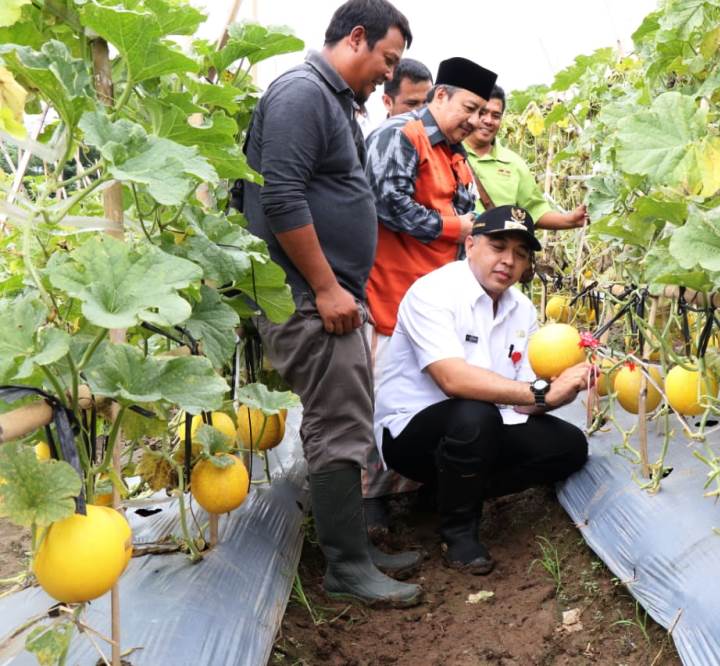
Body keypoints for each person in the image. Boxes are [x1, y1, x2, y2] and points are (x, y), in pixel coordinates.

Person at [239, 0, 422, 607]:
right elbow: (282, 199)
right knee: (337, 423)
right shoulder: (301, 94)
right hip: (306, 300)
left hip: (329, 297)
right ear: (358, 37)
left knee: (344, 417)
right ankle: (346, 568)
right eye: (386, 61)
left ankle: (356, 553)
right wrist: (324, 286)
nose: (387, 76)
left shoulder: (332, 99)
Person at [375, 205, 591, 574]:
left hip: (482, 428)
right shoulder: (433, 292)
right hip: (413, 436)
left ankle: (444, 495)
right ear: (470, 245)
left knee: (569, 447)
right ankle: (459, 534)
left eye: (520, 254)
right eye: (498, 246)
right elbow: (453, 380)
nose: (508, 260)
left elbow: (522, 396)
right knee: (473, 413)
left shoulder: (521, 309)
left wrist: (560, 392)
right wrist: (540, 392)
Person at [361, 57, 497, 528]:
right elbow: (384, 203)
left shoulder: (455, 155)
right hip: (390, 297)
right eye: (469, 107)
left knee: (427, 400)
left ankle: (420, 491)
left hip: (436, 303)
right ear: (440, 96)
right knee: (380, 401)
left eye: (483, 112)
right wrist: (454, 228)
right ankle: (369, 504)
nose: (477, 120)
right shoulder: (400, 135)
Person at [465, 85, 587, 229]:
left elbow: (535, 211)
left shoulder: (513, 162)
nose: (488, 120)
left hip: (493, 249)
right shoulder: (450, 152)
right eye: (482, 113)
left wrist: (570, 220)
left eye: (496, 116)